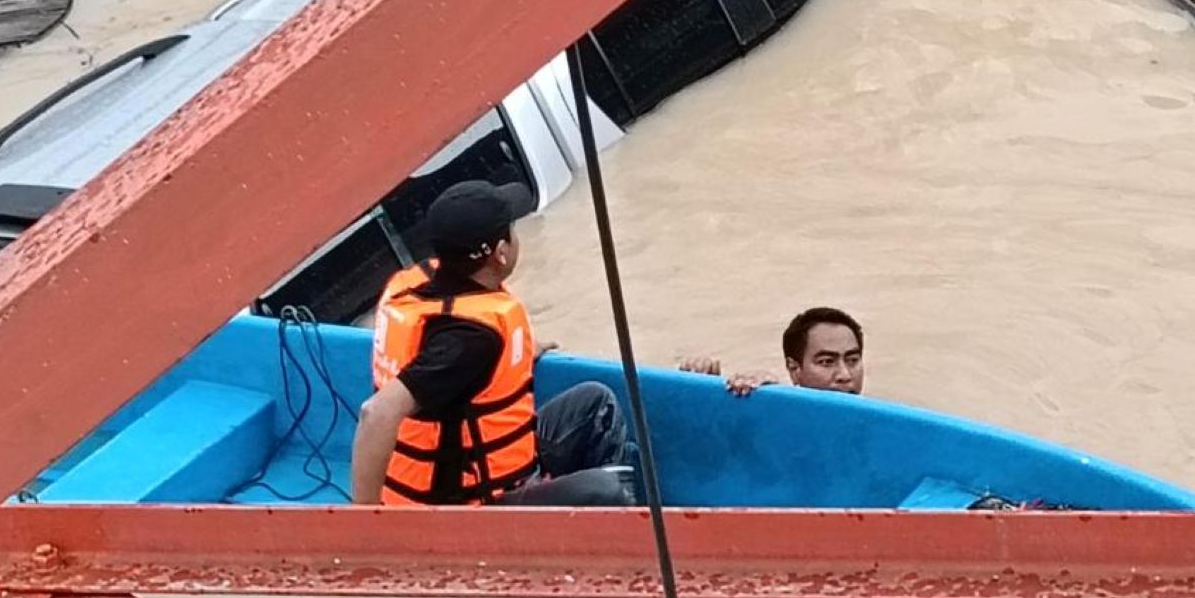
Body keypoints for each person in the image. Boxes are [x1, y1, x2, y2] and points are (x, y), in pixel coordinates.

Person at [350, 182, 632, 506]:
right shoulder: (470, 341)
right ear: (501, 252)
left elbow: (445, 358)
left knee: (596, 404)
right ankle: (628, 528)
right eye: (513, 230)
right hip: (473, 505)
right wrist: (366, 518)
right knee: (608, 491)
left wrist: (515, 353)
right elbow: (376, 413)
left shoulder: (428, 288)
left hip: (490, 462)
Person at [680, 306, 866, 398]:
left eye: (853, 360)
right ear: (794, 369)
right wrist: (706, 394)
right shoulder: (774, 420)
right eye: (826, 362)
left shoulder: (879, 427)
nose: (845, 375)